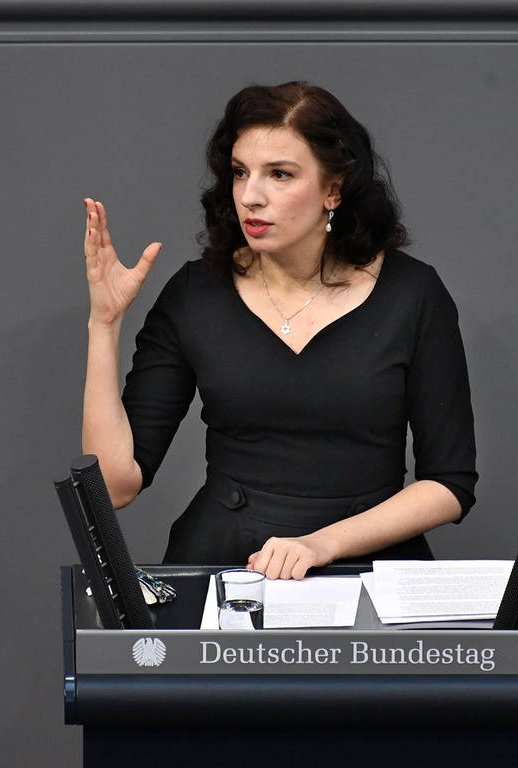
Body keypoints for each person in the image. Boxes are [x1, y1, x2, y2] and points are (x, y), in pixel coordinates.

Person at [82, 81, 477, 580]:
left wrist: (321, 543)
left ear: (333, 188)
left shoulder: (413, 294)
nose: (250, 196)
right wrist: (104, 323)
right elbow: (115, 487)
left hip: (369, 569)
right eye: (241, 172)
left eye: (280, 175)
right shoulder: (195, 292)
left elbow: (450, 484)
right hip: (225, 562)